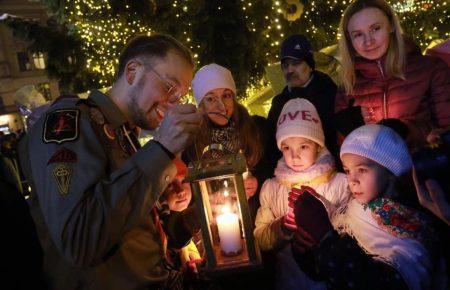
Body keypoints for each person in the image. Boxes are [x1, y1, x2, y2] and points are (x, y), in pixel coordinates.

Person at [18, 34, 203, 290]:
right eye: (169, 88)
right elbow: (79, 240)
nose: (173, 105)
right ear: (133, 71)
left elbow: (126, 215)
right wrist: (161, 150)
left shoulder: (123, 134)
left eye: (180, 96)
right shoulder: (68, 123)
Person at [292, 124, 445, 290]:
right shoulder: (351, 210)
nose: (352, 180)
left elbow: (380, 283)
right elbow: (322, 272)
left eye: (362, 170)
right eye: (348, 170)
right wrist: (307, 247)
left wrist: (324, 235)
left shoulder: (408, 223)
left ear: (390, 172)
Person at [254, 98, 350, 290]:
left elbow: (353, 232)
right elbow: (259, 238)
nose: (294, 156)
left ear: (318, 145)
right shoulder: (272, 189)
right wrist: (281, 228)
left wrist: (321, 220)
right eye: (287, 147)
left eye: (303, 146)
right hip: (288, 281)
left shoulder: (341, 184)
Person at [334, 0, 450, 149]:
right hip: (375, 172)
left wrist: (405, 132)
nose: (368, 41)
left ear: (391, 27)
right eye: (358, 35)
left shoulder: (431, 68)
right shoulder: (348, 85)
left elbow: (445, 132)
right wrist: (353, 134)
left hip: (422, 169)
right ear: (349, 40)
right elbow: (345, 152)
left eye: (375, 29)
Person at [185, 63, 269, 222]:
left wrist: (258, 181)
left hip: (260, 220)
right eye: (211, 98)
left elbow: (274, 168)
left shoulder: (257, 129)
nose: (221, 106)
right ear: (201, 105)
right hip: (219, 224)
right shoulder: (191, 145)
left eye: (226, 95)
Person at [266, 35, 339, 175]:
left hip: (329, 176)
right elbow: (272, 146)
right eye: (285, 65)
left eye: (296, 63)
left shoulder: (330, 95)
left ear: (310, 65)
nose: (290, 70)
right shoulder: (279, 104)